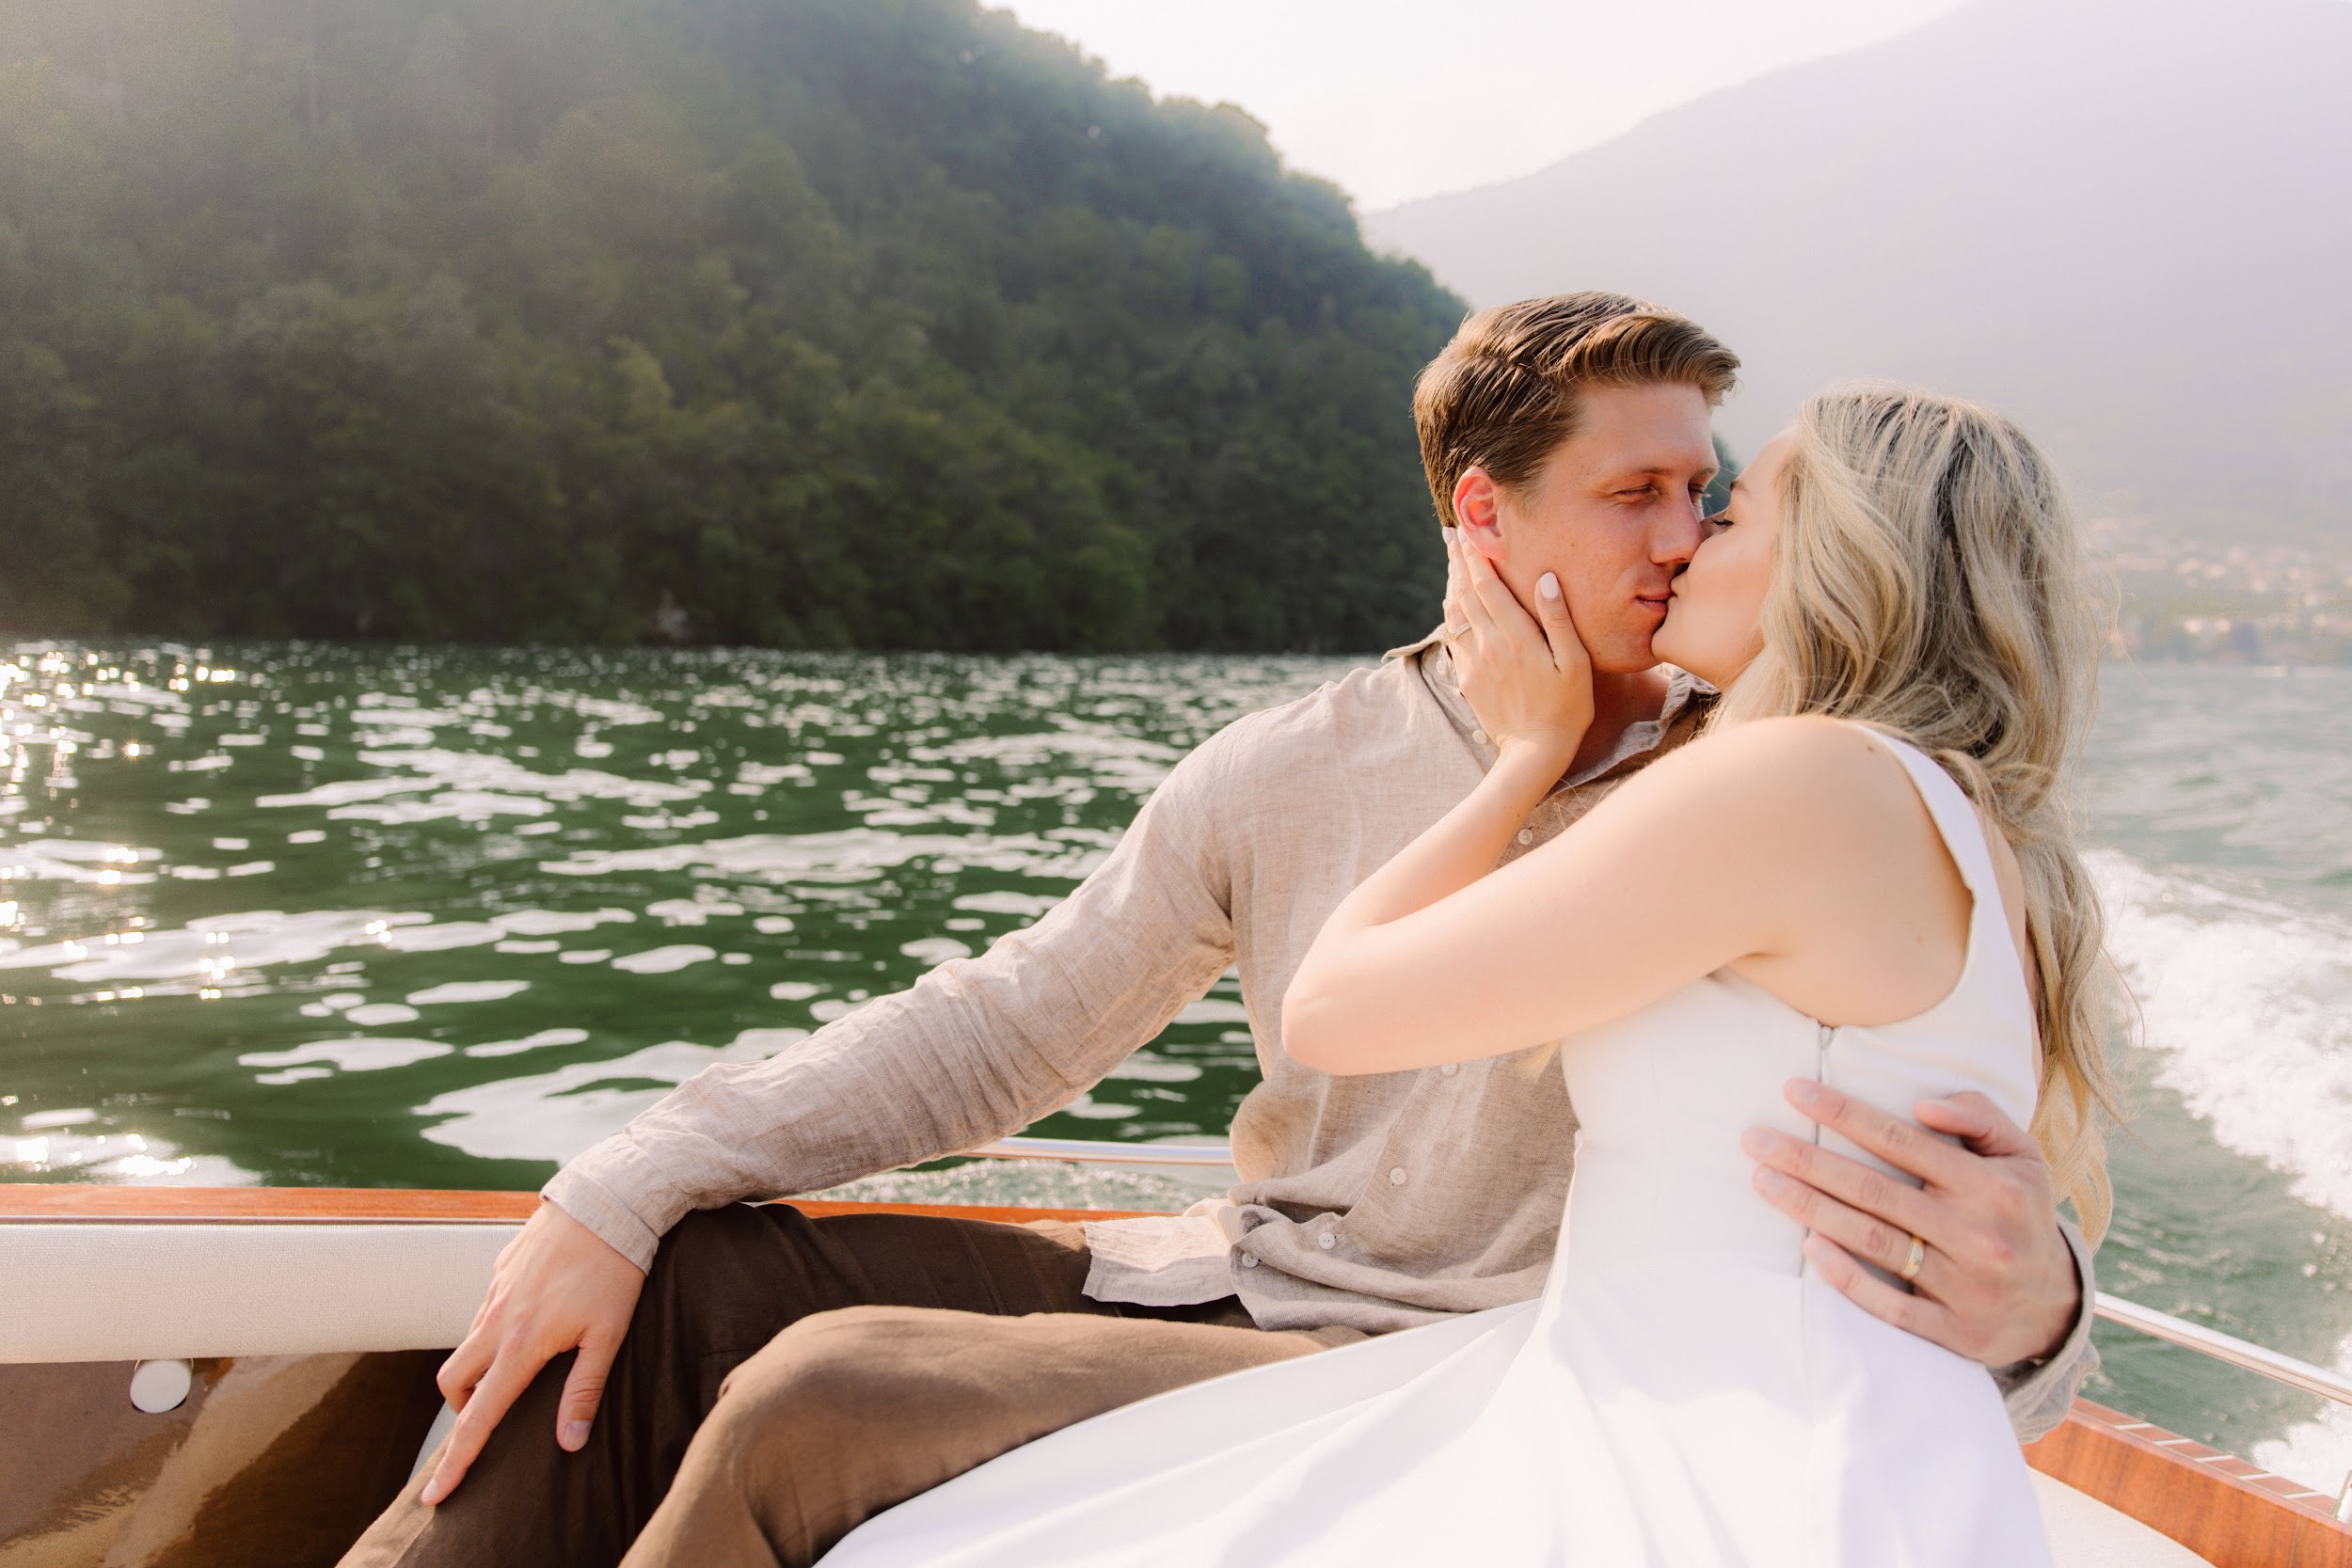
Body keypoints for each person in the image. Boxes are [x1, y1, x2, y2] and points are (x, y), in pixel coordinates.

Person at [340, 298, 2098, 1568]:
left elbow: (1944, 1132)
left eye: (1707, 491)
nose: (1688, 531)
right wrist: (626, 1176)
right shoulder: (1292, 769)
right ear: (1485, 519)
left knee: (827, 1396)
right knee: (694, 1279)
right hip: (1238, 1278)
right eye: (1637, 494)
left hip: (1457, 1359)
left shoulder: (1768, 775)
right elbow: (1005, 1030)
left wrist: (2042, 1311)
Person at [820, 384, 2119, 1566]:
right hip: (1765, 1426)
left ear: (1841, 561)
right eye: (1655, 501)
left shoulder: (1801, 781)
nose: (1685, 543)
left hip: (1718, 1465)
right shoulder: (1938, 817)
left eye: (1728, 512)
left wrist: (1524, 756)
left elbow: (1334, 1006)